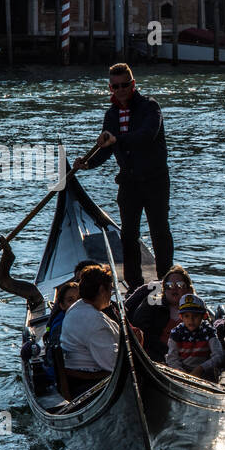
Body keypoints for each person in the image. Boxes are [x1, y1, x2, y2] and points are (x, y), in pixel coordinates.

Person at [72, 63, 173, 291]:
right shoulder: (112, 114)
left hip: (155, 181)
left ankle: (167, 280)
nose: (121, 90)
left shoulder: (150, 107)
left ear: (133, 84)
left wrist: (117, 140)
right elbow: (107, 148)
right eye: (115, 86)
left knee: (159, 231)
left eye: (125, 85)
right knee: (128, 235)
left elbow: (146, 136)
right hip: (129, 183)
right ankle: (135, 285)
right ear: (111, 88)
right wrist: (88, 164)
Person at [60, 264, 126, 397]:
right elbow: (114, 364)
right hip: (89, 382)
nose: (110, 295)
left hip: (78, 374)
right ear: (102, 290)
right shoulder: (95, 322)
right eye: (110, 290)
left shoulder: (76, 307)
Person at [125, 264, 194, 363]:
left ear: (188, 289)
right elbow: (142, 333)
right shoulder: (152, 304)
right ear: (164, 290)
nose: (174, 289)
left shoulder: (195, 308)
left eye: (180, 285)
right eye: (169, 286)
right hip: (156, 357)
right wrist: (168, 352)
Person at [167, 294, 225, 380]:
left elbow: (218, 356)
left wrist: (201, 368)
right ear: (181, 317)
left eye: (195, 316)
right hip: (182, 373)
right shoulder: (176, 333)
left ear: (204, 316)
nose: (191, 320)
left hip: (205, 372)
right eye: (187, 316)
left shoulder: (209, 332)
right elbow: (172, 359)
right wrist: (182, 373)